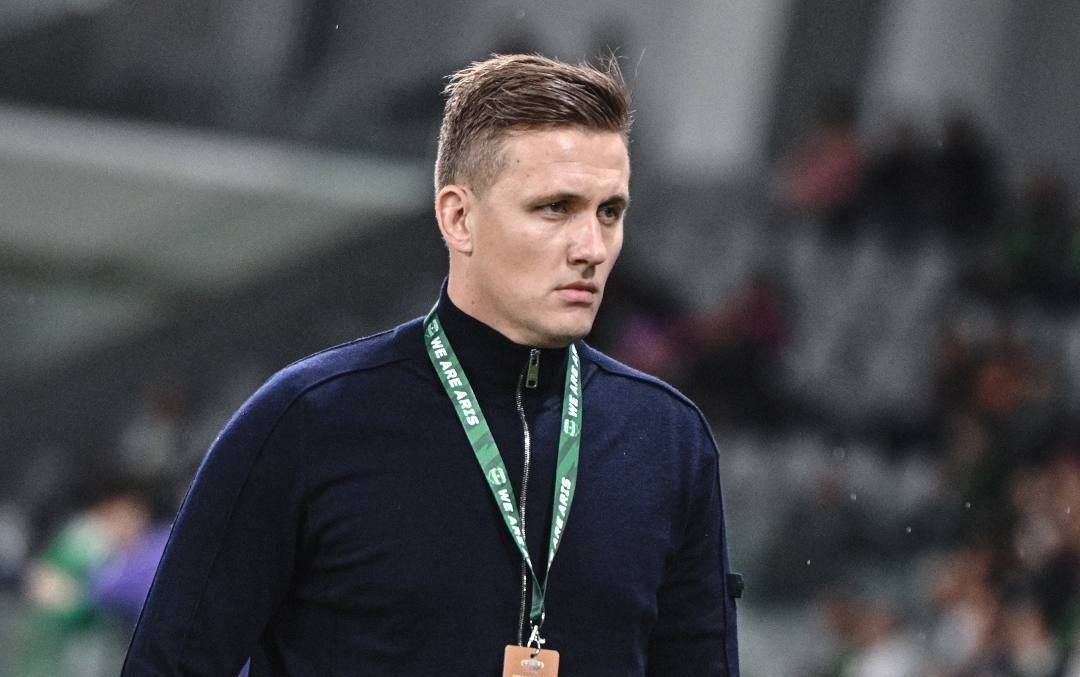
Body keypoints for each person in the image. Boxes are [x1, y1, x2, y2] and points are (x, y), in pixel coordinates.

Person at [123, 53, 741, 676]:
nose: (592, 248)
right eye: (556, 207)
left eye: (609, 212)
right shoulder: (308, 420)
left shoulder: (668, 441)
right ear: (458, 217)